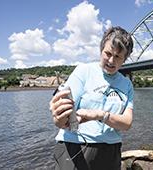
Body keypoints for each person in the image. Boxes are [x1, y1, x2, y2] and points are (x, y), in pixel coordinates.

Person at [49, 26, 134, 170]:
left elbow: (127, 123)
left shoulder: (126, 84)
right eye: (108, 53)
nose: (111, 61)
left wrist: (99, 115)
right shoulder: (83, 71)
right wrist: (58, 117)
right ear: (101, 50)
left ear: (125, 59)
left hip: (111, 151)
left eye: (118, 57)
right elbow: (62, 121)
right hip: (77, 147)